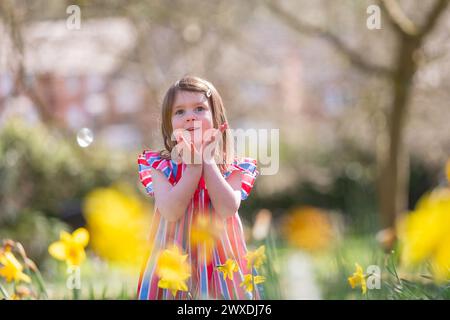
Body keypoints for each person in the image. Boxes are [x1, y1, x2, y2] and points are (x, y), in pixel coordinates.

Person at [137, 76, 261, 300]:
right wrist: (193, 169)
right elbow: (171, 212)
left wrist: (208, 162)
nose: (190, 117)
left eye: (199, 108)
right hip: (174, 260)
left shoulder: (233, 167)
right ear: (168, 126)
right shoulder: (159, 165)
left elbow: (227, 209)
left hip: (221, 263)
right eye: (179, 112)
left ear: (217, 119)